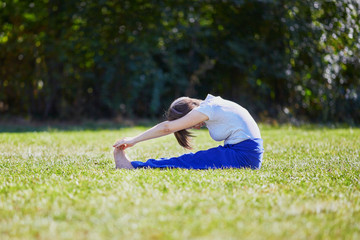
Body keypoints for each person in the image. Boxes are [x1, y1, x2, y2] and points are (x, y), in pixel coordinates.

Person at [113, 94, 264, 170]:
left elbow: (167, 128)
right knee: (191, 159)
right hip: (244, 152)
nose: (193, 127)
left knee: (187, 161)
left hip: (244, 155)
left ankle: (133, 166)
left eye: (188, 123)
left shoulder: (207, 109)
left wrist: (134, 140)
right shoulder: (213, 104)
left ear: (190, 112)